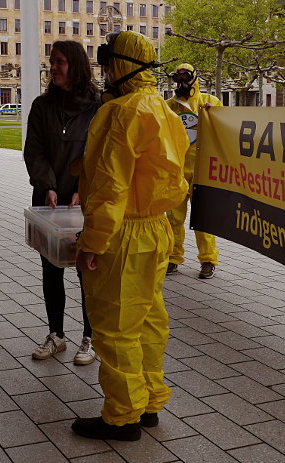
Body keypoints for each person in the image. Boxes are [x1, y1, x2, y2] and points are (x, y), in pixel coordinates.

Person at [72, 31, 189, 441]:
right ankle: (149, 399)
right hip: (155, 229)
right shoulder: (163, 109)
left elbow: (110, 185)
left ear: (119, 65)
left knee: (116, 324)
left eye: (107, 63)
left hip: (123, 233)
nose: (104, 72)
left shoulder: (122, 112)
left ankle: (122, 416)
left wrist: (92, 242)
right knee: (149, 319)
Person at [24, 41, 100, 365]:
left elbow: (99, 154)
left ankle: (90, 336)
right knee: (51, 268)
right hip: (50, 201)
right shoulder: (42, 107)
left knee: (87, 269)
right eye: (51, 61)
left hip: (85, 202)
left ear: (77, 66)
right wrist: (48, 186)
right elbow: (35, 151)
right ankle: (56, 334)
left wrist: (85, 187)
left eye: (60, 62)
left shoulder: (97, 106)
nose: (53, 67)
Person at [165, 63, 222, 279]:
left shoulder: (209, 102)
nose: (181, 83)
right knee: (173, 218)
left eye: (185, 77)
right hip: (176, 171)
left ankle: (208, 259)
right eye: (177, 78)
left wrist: (212, 115)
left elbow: (224, 128)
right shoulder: (169, 106)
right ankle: (172, 257)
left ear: (194, 78)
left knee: (203, 218)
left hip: (201, 171)